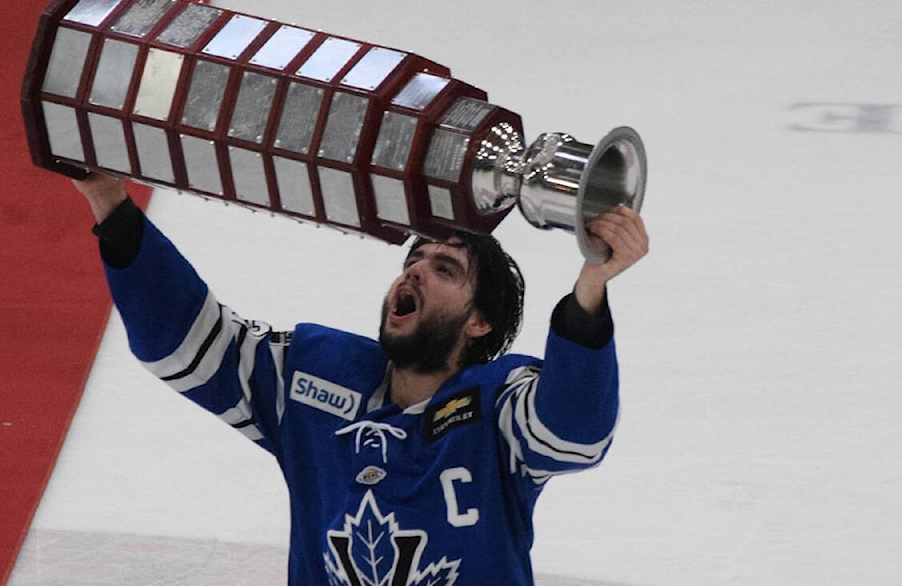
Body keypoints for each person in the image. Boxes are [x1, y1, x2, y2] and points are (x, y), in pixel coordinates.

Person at [73, 172, 649, 585]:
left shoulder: (498, 406)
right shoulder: (311, 379)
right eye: (413, 260)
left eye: (444, 269)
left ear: (479, 323)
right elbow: (186, 345)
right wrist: (110, 201)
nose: (417, 269)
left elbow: (574, 433)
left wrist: (590, 290)